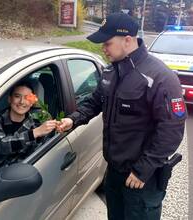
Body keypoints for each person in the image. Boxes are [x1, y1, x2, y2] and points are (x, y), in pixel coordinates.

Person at [57, 13, 186, 220]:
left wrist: (142, 170)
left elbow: (172, 130)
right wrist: (73, 119)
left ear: (127, 40)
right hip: (114, 171)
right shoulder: (111, 71)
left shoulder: (161, 78)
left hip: (142, 179)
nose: (103, 48)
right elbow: (95, 101)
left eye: (107, 43)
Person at [0, 81, 57, 166]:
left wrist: (58, 125)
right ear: (9, 99)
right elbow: (1, 146)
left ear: (32, 102)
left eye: (27, 98)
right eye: (17, 96)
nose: (22, 101)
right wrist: (35, 133)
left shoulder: (39, 118)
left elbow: (47, 145)